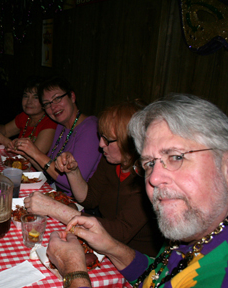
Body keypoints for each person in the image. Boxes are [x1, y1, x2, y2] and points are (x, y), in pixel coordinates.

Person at [47, 94, 228, 288]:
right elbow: (156, 275)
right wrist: (110, 245)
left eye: (176, 157)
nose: (154, 178)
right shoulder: (191, 234)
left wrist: (74, 269)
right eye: (149, 164)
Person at [25, 100, 163, 256]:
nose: (100, 144)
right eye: (101, 137)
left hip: (135, 259)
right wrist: (73, 172)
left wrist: (53, 208)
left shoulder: (149, 178)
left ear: (131, 143)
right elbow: (89, 199)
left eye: (108, 140)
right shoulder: (111, 162)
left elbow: (120, 232)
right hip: (104, 246)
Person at [7, 76, 101, 196]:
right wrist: (27, 153)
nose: (53, 107)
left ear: (72, 97)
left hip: (78, 205)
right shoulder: (61, 126)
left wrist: (36, 153)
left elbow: (69, 182)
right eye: (47, 104)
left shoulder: (90, 128)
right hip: (54, 192)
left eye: (57, 98)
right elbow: (48, 171)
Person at [0, 76, 57, 154]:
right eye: (26, 96)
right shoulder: (25, 116)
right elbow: (5, 131)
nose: (29, 102)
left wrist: (4, 141)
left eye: (35, 97)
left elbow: (35, 156)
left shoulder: (50, 122)